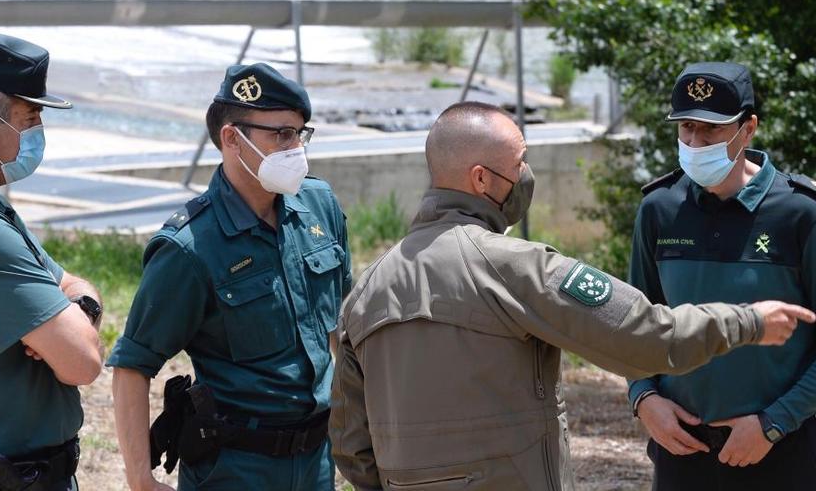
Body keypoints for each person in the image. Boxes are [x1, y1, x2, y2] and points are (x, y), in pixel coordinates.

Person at [328, 101, 814, 491]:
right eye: (518, 165)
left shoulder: (368, 288)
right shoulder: (516, 268)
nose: (525, 177)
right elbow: (645, 334)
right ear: (481, 179)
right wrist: (747, 322)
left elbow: (350, 443)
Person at [109, 63, 352, 491]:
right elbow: (133, 365)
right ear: (232, 139)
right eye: (280, 134)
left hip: (317, 458)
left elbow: (341, 325)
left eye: (300, 133)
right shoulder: (189, 246)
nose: (295, 147)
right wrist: (139, 479)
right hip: (235, 467)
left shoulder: (319, 205)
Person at [626, 62, 816, 490]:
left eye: (711, 130)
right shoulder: (659, 209)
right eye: (686, 128)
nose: (695, 142)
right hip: (681, 450)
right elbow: (633, 323)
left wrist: (773, 423)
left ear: (747, 129)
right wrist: (644, 398)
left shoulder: (800, 213)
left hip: (782, 449)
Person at [0, 32, 103, 491]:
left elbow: (73, 284)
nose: (37, 134)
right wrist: (71, 320)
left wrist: (79, 309)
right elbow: (83, 362)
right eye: (30, 119)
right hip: (1, 478)